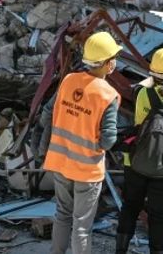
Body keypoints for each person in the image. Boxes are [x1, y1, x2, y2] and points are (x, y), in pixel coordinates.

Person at [40, 31, 122, 254]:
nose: (115, 61)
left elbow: (47, 114)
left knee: (62, 215)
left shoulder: (68, 81)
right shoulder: (107, 94)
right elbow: (109, 139)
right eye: (113, 57)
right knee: (82, 226)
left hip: (61, 162)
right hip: (86, 169)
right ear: (107, 64)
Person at [116, 47, 163, 254]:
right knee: (158, 216)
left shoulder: (143, 95)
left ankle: (120, 250)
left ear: (152, 72)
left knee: (130, 207)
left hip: (136, 162)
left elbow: (139, 124)